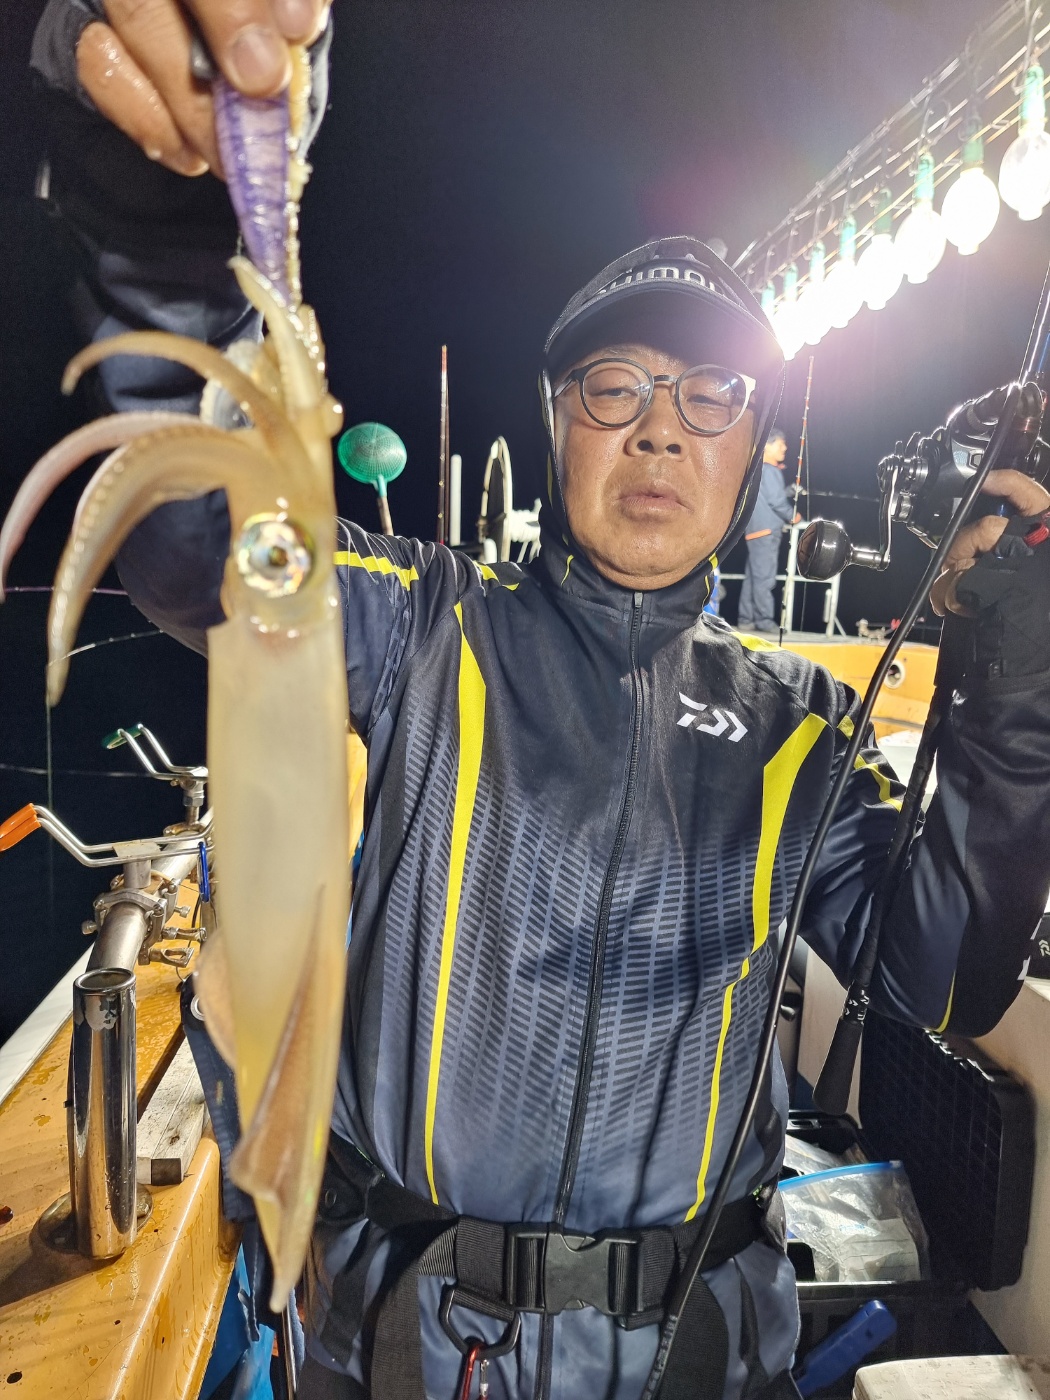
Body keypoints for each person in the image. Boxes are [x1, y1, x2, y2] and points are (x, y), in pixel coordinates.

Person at [24, 4, 1050, 1397]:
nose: (660, 430)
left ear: (751, 448)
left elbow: (940, 975)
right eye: (614, 388)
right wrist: (168, 214)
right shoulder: (417, 621)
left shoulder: (802, 729)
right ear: (555, 420)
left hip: (694, 1351)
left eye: (710, 395)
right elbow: (195, 540)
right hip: (413, 1340)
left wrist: (1015, 687)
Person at [737, 427, 794, 634]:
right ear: (767, 446)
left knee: (753, 577)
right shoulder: (770, 470)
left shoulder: (758, 469)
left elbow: (767, 496)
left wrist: (787, 492)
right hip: (767, 531)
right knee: (765, 578)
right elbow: (777, 502)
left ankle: (746, 619)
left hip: (754, 531)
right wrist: (794, 517)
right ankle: (764, 620)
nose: (784, 448)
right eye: (780, 444)